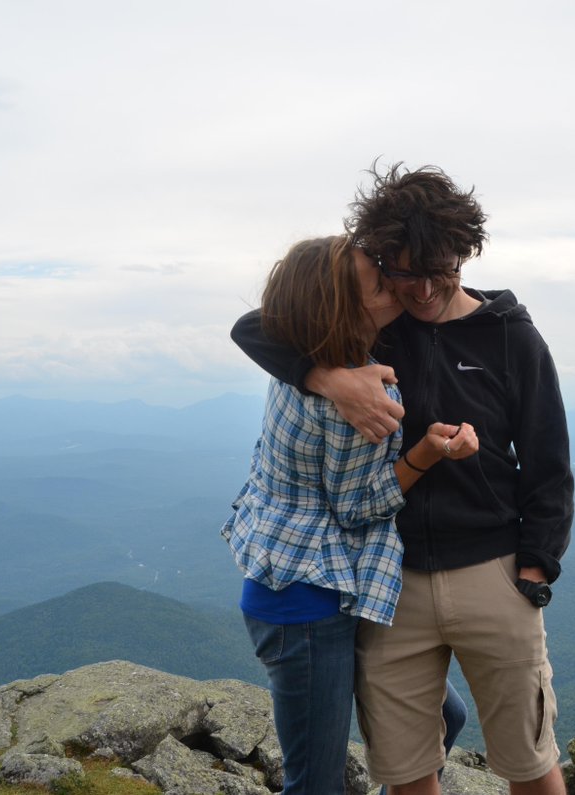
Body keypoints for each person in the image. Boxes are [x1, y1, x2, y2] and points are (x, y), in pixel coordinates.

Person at [231, 164, 575, 795]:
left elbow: (549, 461)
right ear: (382, 261)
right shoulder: (368, 323)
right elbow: (253, 326)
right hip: (389, 580)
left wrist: (535, 569)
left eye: (437, 270)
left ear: (465, 255)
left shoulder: (510, 337)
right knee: (407, 770)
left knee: (530, 762)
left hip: (492, 569)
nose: (418, 289)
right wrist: (328, 377)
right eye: (403, 271)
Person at [221, 235, 479, 794]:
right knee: (314, 784)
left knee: (446, 717)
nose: (394, 286)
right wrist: (424, 455)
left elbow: (256, 324)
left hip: (302, 583)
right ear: (343, 305)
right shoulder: (355, 398)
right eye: (379, 284)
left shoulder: (307, 361)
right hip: (308, 603)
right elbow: (360, 506)